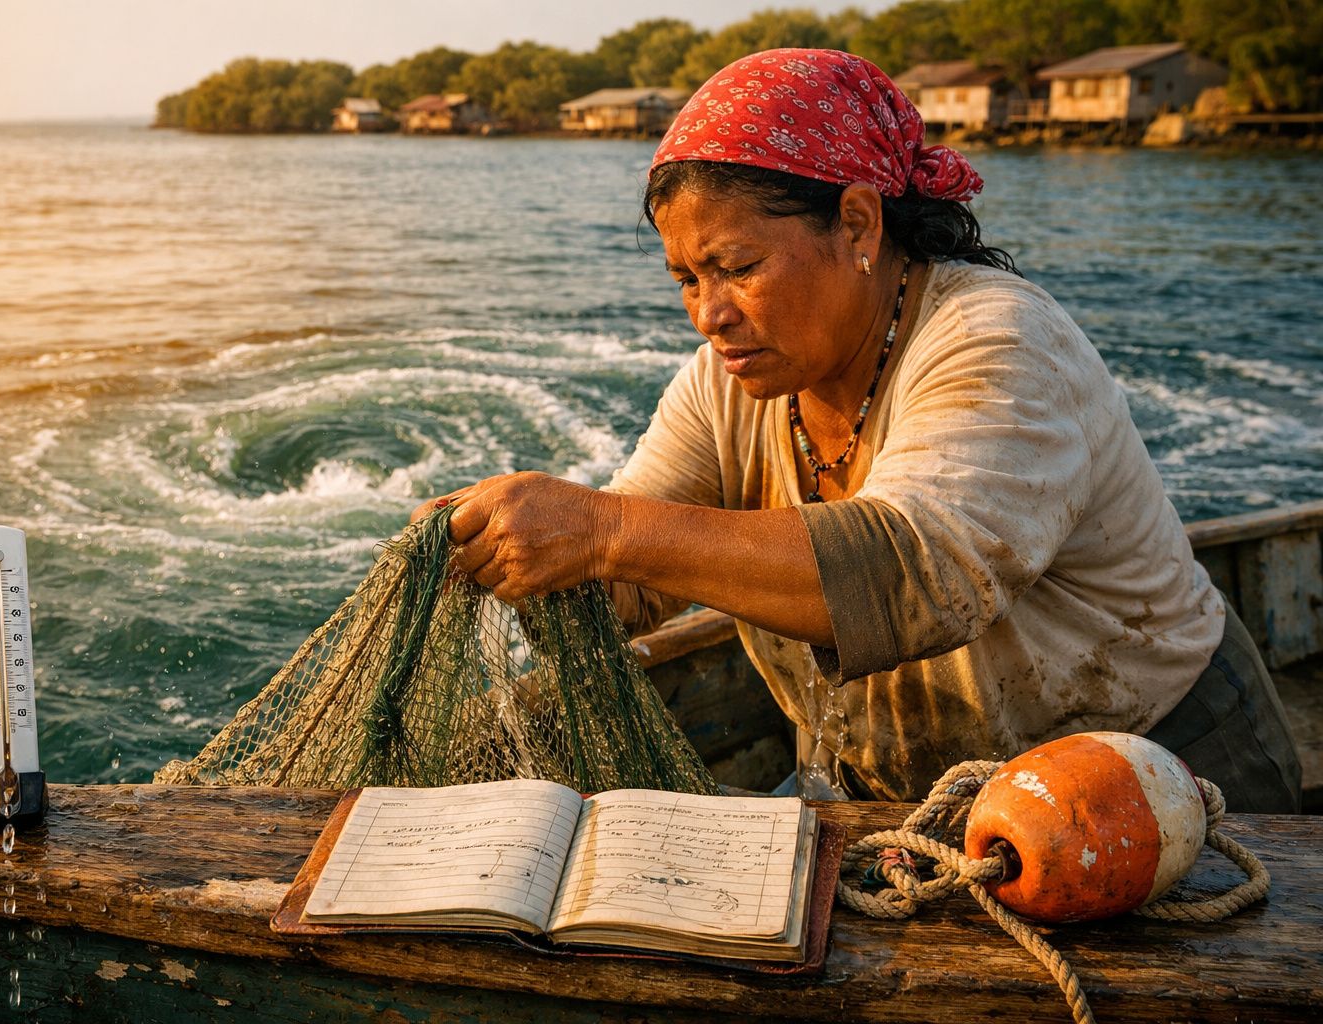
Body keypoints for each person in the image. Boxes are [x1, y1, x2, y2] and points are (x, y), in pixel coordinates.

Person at [418, 49, 1301, 812]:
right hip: (896, 797)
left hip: (1156, 768)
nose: (708, 314)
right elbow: (633, 584)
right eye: (687, 279)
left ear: (857, 222)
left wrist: (602, 529)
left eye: (737, 266)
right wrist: (517, 554)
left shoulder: (996, 338)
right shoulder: (728, 384)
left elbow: (916, 575)